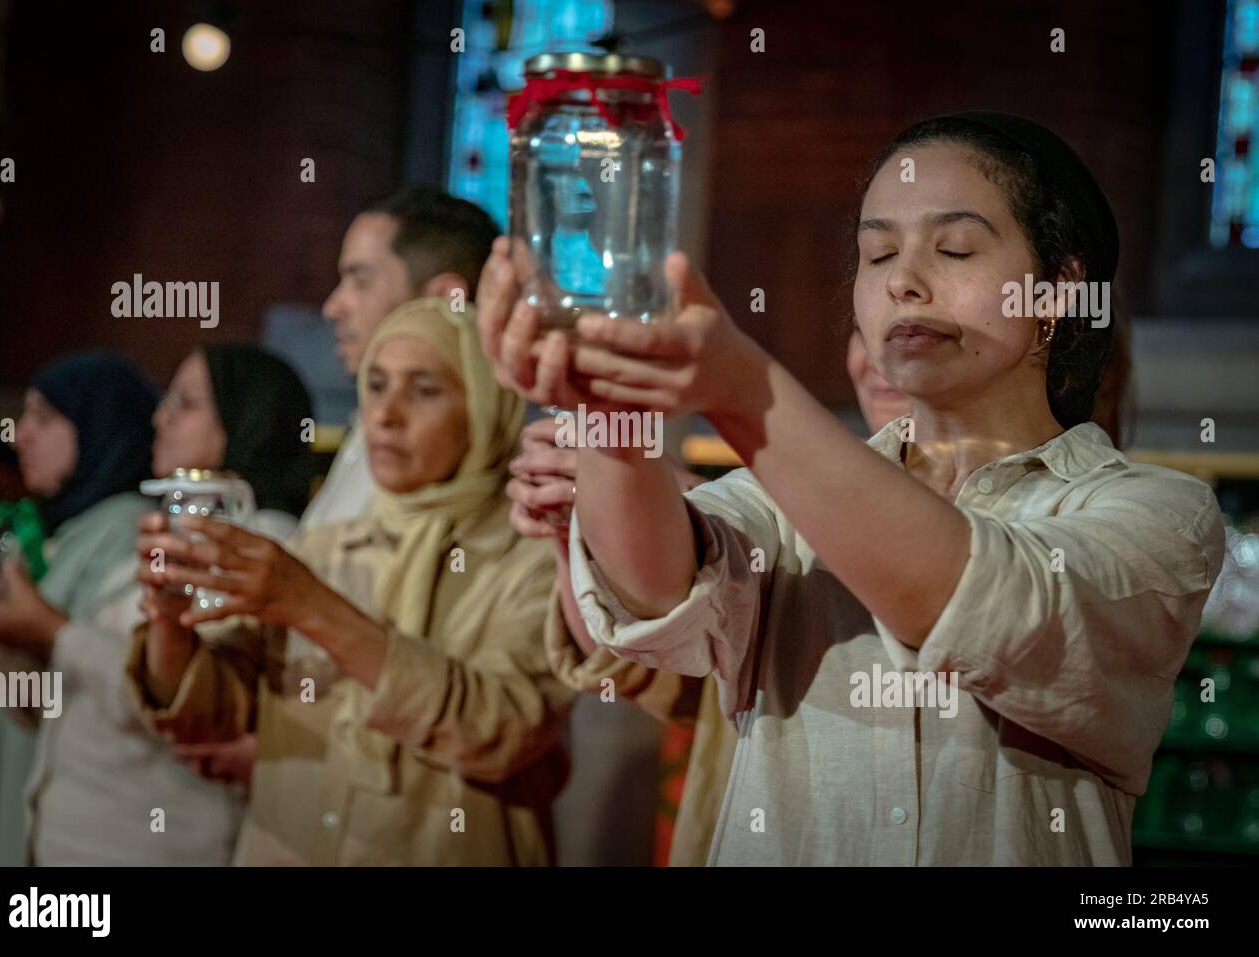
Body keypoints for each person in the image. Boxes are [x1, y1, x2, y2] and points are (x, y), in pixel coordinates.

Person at [479, 112, 1225, 865]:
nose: (904, 278)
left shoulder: (1154, 512)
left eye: (956, 247)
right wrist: (606, 401)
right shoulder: (780, 502)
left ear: (1060, 287)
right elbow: (657, 590)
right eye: (878, 253)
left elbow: (988, 603)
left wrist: (743, 386)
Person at [127, 298, 573, 866]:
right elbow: (208, 713)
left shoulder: (535, 558)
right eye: (377, 386)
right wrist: (169, 620)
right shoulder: (325, 547)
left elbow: (499, 733)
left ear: (487, 408)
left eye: (425, 390)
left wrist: (312, 607)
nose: (385, 415)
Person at [508, 334, 911, 866]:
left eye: (953, 251)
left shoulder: (786, 503)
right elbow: (639, 666)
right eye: (862, 328)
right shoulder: (764, 503)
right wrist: (580, 533)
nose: (883, 348)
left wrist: (676, 505)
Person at [0, 345, 313, 865]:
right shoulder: (172, 534)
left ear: (247, 419)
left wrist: (53, 633)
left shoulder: (257, 550)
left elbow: (183, 705)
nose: (160, 416)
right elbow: (70, 702)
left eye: (186, 402)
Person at [0, 352, 156, 865]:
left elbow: (106, 693)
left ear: (100, 426)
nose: (21, 436)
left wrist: (26, 631)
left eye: (44, 418)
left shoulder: (127, 531)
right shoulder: (68, 534)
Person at [301, 187, 500, 531]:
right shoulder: (371, 424)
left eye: (360, 282)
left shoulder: (462, 456)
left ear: (444, 298)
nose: (333, 307)